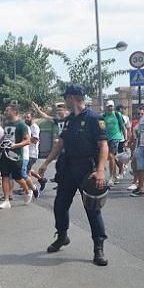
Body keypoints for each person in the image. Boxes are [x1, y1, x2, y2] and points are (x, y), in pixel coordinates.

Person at [37, 84, 109, 266]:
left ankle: (98, 247)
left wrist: (100, 171)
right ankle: (62, 236)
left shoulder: (94, 119)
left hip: (88, 169)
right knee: (60, 205)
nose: (65, 102)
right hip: (68, 168)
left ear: (73, 98)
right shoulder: (70, 120)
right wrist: (46, 163)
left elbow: (103, 146)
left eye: (66, 98)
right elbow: (60, 143)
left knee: (92, 209)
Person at [0, 105, 34, 209]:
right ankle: (7, 200)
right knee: (5, 176)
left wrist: (15, 145)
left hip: (17, 156)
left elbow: (28, 140)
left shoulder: (21, 125)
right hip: (5, 154)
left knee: (18, 178)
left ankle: (27, 191)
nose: (5, 112)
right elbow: (5, 135)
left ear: (14, 111)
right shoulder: (7, 124)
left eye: (7, 110)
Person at [102, 100, 125, 184]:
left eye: (111, 106)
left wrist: (125, 138)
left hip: (116, 137)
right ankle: (117, 172)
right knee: (112, 157)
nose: (110, 108)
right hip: (107, 138)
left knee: (111, 156)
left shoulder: (117, 114)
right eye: (108, 106)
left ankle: (111, 177)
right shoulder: (103, 116)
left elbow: (122, 126)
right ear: (106, 107)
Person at [23, 111, 46, 195]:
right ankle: (41, 179)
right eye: (25, 117)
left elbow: (35, 140)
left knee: (25, 171)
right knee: (27, 170)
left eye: (28, 117)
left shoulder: (34, 127)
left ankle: (30, 189)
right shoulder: (26, 126)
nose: (26, 119)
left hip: (32, 154)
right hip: (25, 152)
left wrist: (26, 137)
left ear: (32, 118)